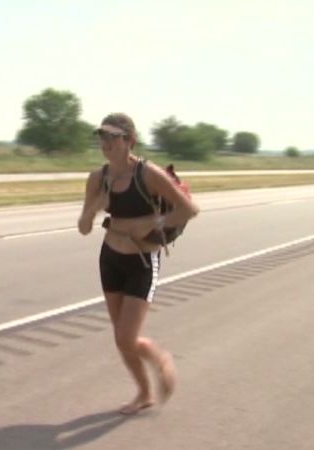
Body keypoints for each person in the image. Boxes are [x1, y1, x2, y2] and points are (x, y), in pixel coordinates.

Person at [77, 113, 199, 414]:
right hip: (110, 260)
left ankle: (160, 359)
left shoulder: (148, 174)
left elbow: (189, 209)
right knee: (122, 339)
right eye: (101, 137)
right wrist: (95, 205)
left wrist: (154, 222)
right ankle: (144, 393)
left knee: (125, 336)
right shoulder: (97, 178)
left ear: (130, 140)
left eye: (112, 137)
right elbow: (82, 227)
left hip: (143, 262)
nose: (105, 143)